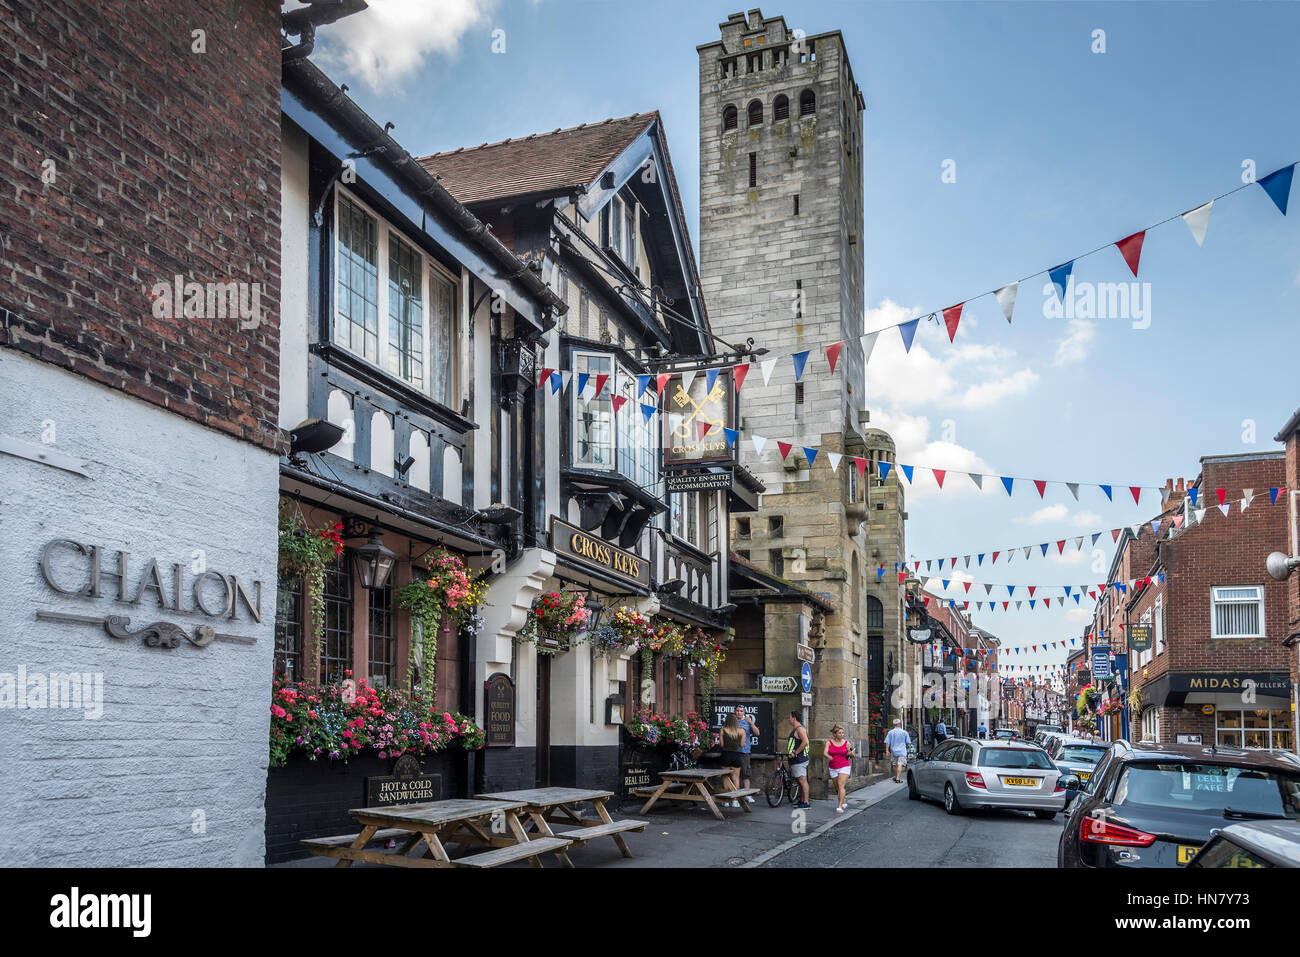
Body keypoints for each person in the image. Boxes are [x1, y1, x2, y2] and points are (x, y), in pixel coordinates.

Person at [718, 713, 747, 806]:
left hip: (726, 755)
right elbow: (742, 745)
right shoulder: (742, 731)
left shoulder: (723, 730)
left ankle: (726, 800)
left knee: (725, 778)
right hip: (736, 755)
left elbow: (722, 745)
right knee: (736, 778)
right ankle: (735, 800)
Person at [733, 705, 759, 804]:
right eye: (737, 710)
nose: (739, 712)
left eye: (741, 711)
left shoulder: (747, 721)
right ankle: (734, 796)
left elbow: (757, 733)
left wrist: (751, 723)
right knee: (734, 775)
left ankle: (747, 795)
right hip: (733, 751)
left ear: (744, 712)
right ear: (735, 712)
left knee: (746, 774)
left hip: (744, 752)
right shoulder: (732, 721)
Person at [825, 723, 854, 812]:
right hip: (833, 767)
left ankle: (840, 806)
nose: (842, 734)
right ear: (835, 734)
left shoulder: (846, 743)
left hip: (844, 766)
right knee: (837, 787)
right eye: (840, 733)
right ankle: (843, 800)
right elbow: (825, 753)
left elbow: (852, 756)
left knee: (841, 786)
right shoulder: (829, 742)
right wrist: (829, 757)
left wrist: (850, 752)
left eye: (843, 733)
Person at [786, 711, 811, 809]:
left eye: (790, 717)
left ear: (794, 718)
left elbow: (805, 742)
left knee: (802, 780)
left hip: (799, 759)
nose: (789, 719)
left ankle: (806, 802)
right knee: (800, 781)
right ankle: (801, 800)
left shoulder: (800, 729)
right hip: (796, 760)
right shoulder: (797, 729)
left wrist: (795, 753)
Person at [884, 718, 911, 784]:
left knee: (894, 764)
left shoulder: (890, 732)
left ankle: (896, 777)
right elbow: (908, 742)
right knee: (900, 764)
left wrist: (887, 750)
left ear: (894, 725)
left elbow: (887, 742)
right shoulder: (904, 732)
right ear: (899, 724)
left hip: (893, 750)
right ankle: (898, 778)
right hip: (902, 751)